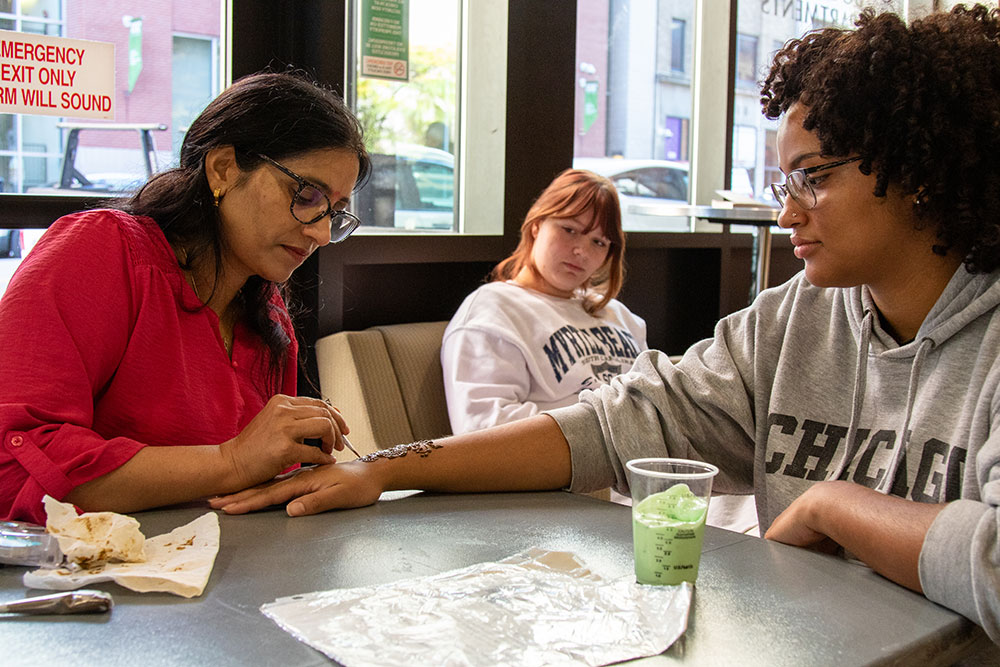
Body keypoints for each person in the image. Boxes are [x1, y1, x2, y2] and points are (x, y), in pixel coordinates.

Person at [212, 6, 1000, 644]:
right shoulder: (796, 318)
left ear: (923, 171)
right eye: (781, 179)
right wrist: (385, 466)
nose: (785, 209)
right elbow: (614, 425)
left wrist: (836, 504)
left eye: (814, 178)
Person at [0, 70, 369, 524]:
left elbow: (245, 497)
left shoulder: (266, 315)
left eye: (335, 212)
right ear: (223, 168)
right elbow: (15, 463)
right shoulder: (103, 251)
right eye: (306, 194)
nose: (320, 232)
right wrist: (232, 461)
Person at [441, 168, 647, 435]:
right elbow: (485, 430)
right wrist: (605, 435)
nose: (581, 251)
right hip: (569, 472)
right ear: (537, 225)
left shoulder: (620, 316)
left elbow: (655, 401)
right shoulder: (493, 311)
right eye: (569, 229)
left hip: (645, 465)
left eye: (598, 242)